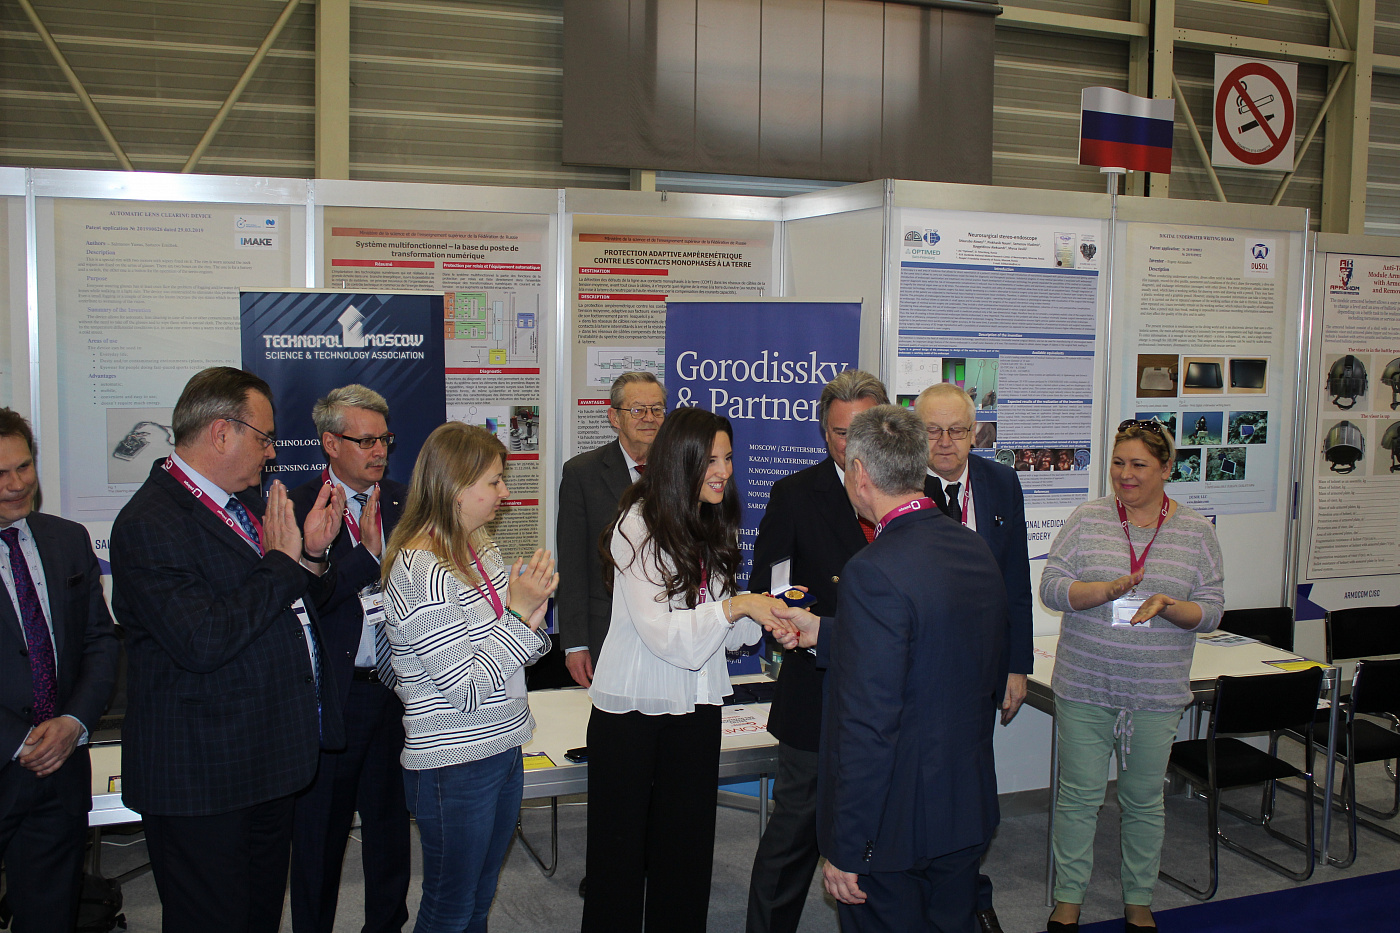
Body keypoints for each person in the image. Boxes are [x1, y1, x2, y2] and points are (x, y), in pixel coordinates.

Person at [110, 366, 346, 933]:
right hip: (203, 779)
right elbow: (204, 639)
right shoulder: (151, 522)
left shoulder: (237, 505)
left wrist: (311, 556)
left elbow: (280, 604)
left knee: (259, 916)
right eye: (264, 438)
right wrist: (282, 562)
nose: (272, 453)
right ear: (221, 433)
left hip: (264, 762)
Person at [767, 405, 1006, 933]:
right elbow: (935, 649)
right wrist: (825, 632)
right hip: (964, 806)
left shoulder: (872, 570)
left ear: (859, 474)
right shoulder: (972, 548)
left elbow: (868, 724)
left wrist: (848, 845)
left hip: (895, 827)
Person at [582, 407, 786, 933]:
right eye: (711, 460)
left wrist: (762, 610)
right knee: (618, 862)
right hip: (633, 712)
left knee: (687, 855)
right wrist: (736, 608)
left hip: (696, 709)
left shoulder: (709, 520)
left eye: (728, 458)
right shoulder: (637, 525)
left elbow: (719, 633)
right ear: (681, 461)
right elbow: (666, 635)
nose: (724, 471)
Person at [1040, 419, 1224, 933]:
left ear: (1166, 468)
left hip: (1155, 690)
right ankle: (1068, 899)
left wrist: (1168, 605)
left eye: (1139, 464)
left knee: (1144, 800)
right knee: (1078, 797)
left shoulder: (1196, 531)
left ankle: (1138, 899)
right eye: (1119, 463)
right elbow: (1051, 587)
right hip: (1085, 683)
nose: (1125, 474)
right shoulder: (1088, 518)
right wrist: (1102, 591)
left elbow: (1211, 611)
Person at [381, 422, 556, 933]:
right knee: (450, 908)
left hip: (502, 745)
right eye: (494, 482)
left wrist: (531, 615)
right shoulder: (420, 570)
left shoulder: (479, 548)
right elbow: (467, 687)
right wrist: (520, 616)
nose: (505, 494)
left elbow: (515, 651)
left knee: (479, 900)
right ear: (455, 488)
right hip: (454, 763)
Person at [745, 369, 888, 933]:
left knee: (884, 831)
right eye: (839, 432)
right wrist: (788, 623)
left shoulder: (917, 493)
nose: (850, 446)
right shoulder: (795, 494)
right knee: (795, 833)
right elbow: (769, 587)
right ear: (823, 432)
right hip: (817, 690)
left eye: (863, 431)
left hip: (891, 697)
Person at [289, 385, 410, 933]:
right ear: (330, 443)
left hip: (398, 691)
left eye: (384, 439)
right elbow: (300, 601)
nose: (379, 450)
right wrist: (365, 559)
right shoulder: (296, 507)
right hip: (334, 694)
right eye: (366, 440)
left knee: (389, 828)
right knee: (320, 835)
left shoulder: (409, 503)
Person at [915, 382, 1033, 933]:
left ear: (974, 433)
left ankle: (967, 893)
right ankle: (920, 889)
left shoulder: (1000, 482)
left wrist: (1016, 664)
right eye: (932, 431)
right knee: (921, 783)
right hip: (918, 667)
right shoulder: (899, 483)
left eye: (957, 430)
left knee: (972, 786)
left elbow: (1016, 580)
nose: (945, 442)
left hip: (981, 667)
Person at [0, 409, 118, 933]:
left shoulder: (67, 539)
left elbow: (99, 641)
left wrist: (73, 723)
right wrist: (17, 739)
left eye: (24, 467)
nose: (17, 484)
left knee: (49, 915)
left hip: (61, 768)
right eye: (1, 474)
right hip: (9, 754)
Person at [557, 371, 666, 689]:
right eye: (638, 409)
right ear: (614, 417)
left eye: (657, 409)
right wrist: (575, 643)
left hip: (670, 628)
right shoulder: (582, 474)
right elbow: (573, 563)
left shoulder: (680, 471)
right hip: (606, 629)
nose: (649, 418)